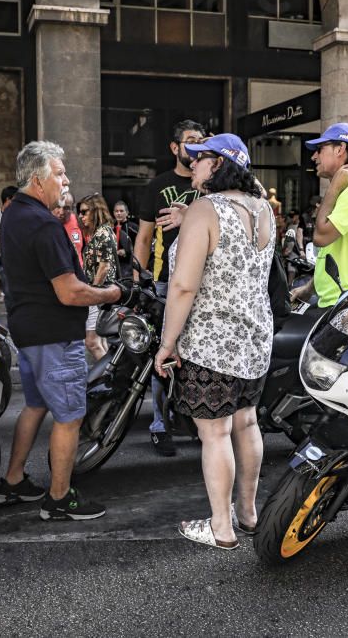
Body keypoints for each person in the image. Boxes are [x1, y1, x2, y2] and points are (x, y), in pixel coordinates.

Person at [0, 140, 126, 521]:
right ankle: (59, 498)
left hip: (29, 331)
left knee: (35, 406)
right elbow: (69, 292)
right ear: (38, 180)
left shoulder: (15, 213)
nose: (66, 180)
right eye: (60, 173)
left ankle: (13, 481)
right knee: (69, 418)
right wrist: (112, 292)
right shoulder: (42, 223)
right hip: (52, 333)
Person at [153, 133, 272, 551]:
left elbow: (184, 285)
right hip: (255, 337)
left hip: (211, 341)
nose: (193, 166)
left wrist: (167, 343)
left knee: (215, 434)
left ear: (218, 164)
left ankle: (221, 528)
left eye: (200, 160)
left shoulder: (206, 209)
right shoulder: (263, 210)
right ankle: (249, 513)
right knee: (247, 422)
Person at [134, 118, 205, 456]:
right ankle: (160, 425)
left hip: (206, 285)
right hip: (166, 283)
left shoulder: (211, 183)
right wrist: (138, 285)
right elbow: (144, 238)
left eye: (201, 140)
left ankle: (193, 419)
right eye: (190, 140)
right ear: (175, 148)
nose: (196, 146)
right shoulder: (158, 185)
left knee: (198, 357)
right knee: (163, 356)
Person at [288, 123, 348, 309]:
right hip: (338, 301)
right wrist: (307, 290)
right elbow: (332, 256)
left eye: (320, 149)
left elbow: (320, 237)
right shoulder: (346, 190)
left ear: (340, 149)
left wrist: (332, 189)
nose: (314, 156)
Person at [78, 193, 118, 361]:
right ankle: (108, 379)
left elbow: (104, 267)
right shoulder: (101, 232)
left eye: (84, 212)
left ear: (96, 211)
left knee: (92, 342)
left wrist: (92, 293)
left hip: (99, 293)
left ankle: (107, 380)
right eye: (80, 212)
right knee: (100, 342)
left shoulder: (103, 233)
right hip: (101, 293)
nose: (81, 216)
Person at [52, 192, 84, 265]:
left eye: (66, 208)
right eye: (58, 206)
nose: (61, 211)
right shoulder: (45, 224)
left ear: (72, 208)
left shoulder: (80, 222)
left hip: (77, 272)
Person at [112, 200, 135, 278]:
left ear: (127, 213)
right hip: (112, 265)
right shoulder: (110, 227)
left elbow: (142, 245)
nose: (119, 213)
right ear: (113, 213)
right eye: (116, 211)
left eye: (121, 211)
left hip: (128, 266)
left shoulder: (133, 228)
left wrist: (127, 251)